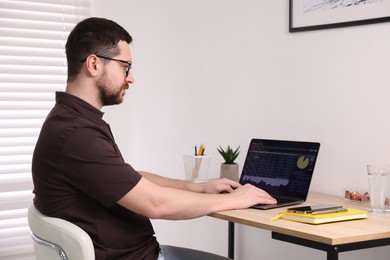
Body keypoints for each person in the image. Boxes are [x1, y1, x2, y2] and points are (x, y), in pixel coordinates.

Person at [31, 17, 277, 260]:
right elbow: (157, 204)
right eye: (125, 67)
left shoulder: (72, 122)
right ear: (94, 65)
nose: (131, 78)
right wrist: (237, 199)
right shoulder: (77, 134)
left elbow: (128, 179)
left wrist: (198, 187)